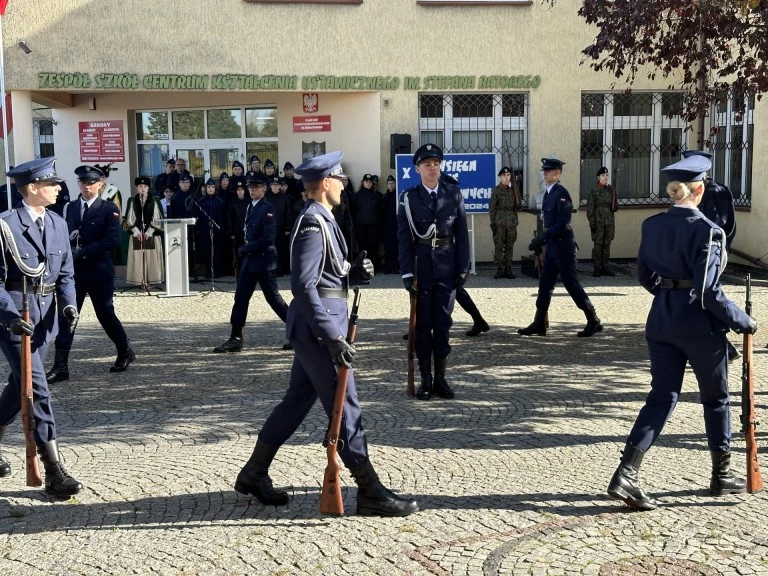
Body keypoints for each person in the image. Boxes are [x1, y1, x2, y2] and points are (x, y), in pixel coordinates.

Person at [234, 151, 418, 517]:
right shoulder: (312, 223)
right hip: (320, 332)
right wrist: (332, 335)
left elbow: (327, 275)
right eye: (339, 179)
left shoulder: (323, 218)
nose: (344, 184)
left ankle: (253, 473)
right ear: (325, 183)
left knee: (295, 402)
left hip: (317, 329)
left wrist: (355, 272)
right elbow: (303, 286)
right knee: (343, 405)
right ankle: (369, 490)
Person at [606, 154, 757, 511]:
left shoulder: (652, 225)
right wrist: (742, 320)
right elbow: (708, 293)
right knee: (716, 399)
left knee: (661, 398)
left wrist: (669, 295)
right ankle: (721, 475)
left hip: (661, 321)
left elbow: (644, 275)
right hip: (700, 329)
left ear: (675, 191)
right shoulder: (709, 230)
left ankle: (626, 473)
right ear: (700, 189)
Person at [0, 157, 83, 498]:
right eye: (52, 184)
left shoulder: (58, 222)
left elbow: (66, 274)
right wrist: (8, 316)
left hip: (46, 317)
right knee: (37, 388)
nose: (59, 188)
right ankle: (53, 470)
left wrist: (68, 304)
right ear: (33, 187)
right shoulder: (6, 224)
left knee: (19, 385)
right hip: (17, 319)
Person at [45, 165, 135, 383]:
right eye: (83, 182)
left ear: (100, 184)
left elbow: (112, 240)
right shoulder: (70, 208)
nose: (87, 186)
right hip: (73, 274)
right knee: (67, 317)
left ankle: (124, 350)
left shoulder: (108, 209)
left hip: (99, 272)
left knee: (105, 315)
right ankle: (60, 366)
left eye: (91, 182)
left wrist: (83, 253)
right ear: (78, 184)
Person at [397, 144, 470, 401]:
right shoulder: (409, 198)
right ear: (417, 169)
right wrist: (407, 274)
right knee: (422, 325)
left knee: (443, 324)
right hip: (422, 267)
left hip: (447, 266)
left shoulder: (453, 194)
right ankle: (425, 379)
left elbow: (461, 233)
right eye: (427, 164)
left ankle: (441, 378)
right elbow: (404, 239)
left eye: (436, 163)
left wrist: (463, 267)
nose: (432, 168)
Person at [518, 158, 603, 338]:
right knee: (545, 284)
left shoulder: (561, 194)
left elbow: (564, 223)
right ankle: (539, 322)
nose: (545, 173)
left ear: (557, 173)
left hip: (563, 247)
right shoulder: (549, 193)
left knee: (571, 284)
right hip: (552, 247)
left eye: (548, 171)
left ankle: (593, 320)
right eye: (544, 171)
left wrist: (543, 237)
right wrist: (543, 241)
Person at [213, 172, 288, 353]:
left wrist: (248, 248)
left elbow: (269, 237)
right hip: (250, 260)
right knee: (240, 297)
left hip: (263, 259)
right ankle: (235, 337)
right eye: (250, 187)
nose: (252, 190)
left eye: (256, 187)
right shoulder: (250, 206)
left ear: (264, 188)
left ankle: (300, 330)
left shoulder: (267, 208)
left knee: (273, 299)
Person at [682, 150, 740, 362]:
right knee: (706, 297)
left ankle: (722, 344)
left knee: (700, 298)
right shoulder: (723, 189)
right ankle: (721, 344)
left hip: (698, 253)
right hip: (717, 252)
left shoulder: (692, 191)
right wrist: (724, 250)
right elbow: (732, 226)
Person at [123, 176, 164, 287]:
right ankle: (140, 280)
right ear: (137, 187)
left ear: (148, 188)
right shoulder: (132, 200)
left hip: (151, 233)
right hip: (138, 234)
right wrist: (137, 232)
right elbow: (129, 219)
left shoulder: (154, 200)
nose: (143, 188)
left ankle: (151, 281)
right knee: (139, 258)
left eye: (145, 186)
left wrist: (148, 232)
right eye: (140, 186)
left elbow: (158, 218)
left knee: (151, 259)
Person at [489, 166, 521, 279]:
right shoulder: (496, 190)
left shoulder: (514, 189)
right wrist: (492, 223)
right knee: (499, 245)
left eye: (508, 175)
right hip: (500, 221)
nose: (506, 177)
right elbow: (492, 208)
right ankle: (500, 269)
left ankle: (508, 269)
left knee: (509, 245)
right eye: (504, 175)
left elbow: (519, 204)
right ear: (500, 177)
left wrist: (518, 203)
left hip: (512, 221)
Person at [586, 166, 617, 277]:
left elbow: (614, 207)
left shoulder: (610, 190)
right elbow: (590, 208)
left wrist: (615, 199)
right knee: (598, 244)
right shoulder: (594, 190)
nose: (605, 177)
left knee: (607, 244)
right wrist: (592, 223)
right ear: (598, 177)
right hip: (598, 221)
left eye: (607, 175)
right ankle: (597, 267)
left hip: (609, 221)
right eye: (603, 175)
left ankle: (605, 266)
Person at [194, 178, 225, 279]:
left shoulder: (220, 201)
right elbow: (197, 217)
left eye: (212, 187)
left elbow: (224, 216)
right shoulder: (201, 201)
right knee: (207, 251)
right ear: (206, 188)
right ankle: (208, 272)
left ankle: (217, 272)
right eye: (208, 187)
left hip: (217, 229)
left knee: (217, 251)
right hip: (205, 230)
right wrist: (199, 229)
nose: (210, 189)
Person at [265, 176, 293, 276]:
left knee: (281, 251)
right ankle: (271, 271)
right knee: (270, 250)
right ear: (270, 186)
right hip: (269, 229)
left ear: (280, 186)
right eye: (273, 185)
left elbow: (288, 214)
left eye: (277, 185)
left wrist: (288, 228)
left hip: (281, 229)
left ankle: (280, 271)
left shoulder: (285, 198)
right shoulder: (266, 198)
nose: (275, 187)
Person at [353, 174, 382, 265]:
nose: (368, 184)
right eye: (366, 182)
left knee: (374, 246)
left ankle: (375, 266)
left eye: (370, 182)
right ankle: (362, 267)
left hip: (374, 226)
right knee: (363, 247)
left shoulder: (377, 195)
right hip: (361, 226)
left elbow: (380, 210)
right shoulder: (357, 195)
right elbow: (353, 210)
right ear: (363, 182)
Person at [226, 179, 249, 277]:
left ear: (244, 191)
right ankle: (239, 273)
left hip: (248, 233)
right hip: (237, 232)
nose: (240, 191)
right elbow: (229, 218)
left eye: (242, 190)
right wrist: (231, 233)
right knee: (238, 254)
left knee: (248, 253)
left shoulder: (249, 202)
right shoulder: (232, 203)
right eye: (238, 190)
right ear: (236, 191)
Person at [381, 175, 399, 274]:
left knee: (396, 247)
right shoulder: (384, 197)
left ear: (395, 184)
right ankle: (388, 267)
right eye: (389, 184)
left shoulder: (398, 195)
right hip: (387, 226)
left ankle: (396, 267)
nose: (391, 185)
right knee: (388, 247)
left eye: (392, 183)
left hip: (396, 225)